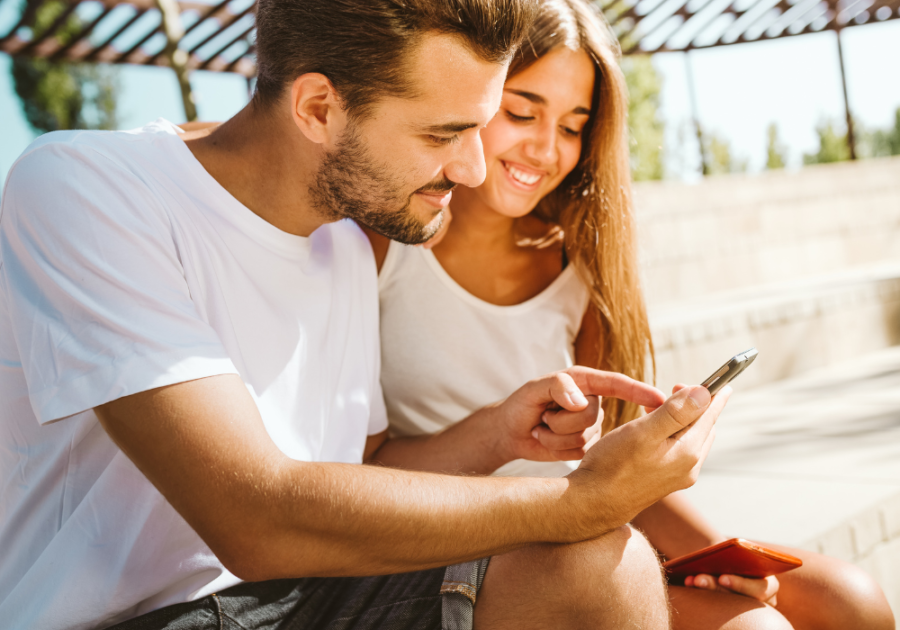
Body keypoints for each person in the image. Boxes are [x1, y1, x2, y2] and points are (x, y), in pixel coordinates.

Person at [0, 1, 731, 629]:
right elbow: (253, 519)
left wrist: (496, 433)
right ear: (318, 108)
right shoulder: (85, 188)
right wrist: (575, 502)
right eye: (444, 135)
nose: (475, 168)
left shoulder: (347, 241)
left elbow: (365, 468)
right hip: (137, 617)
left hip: (306, 597)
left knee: (604, 568)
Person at [369, 1, 896, 629]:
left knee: (852, 601)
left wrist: (721, 557)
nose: (545, 148)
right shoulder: (387, 244)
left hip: (580, 519)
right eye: (520, 111)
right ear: (474, 96)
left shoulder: (576, 267)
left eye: (573, 126)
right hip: (465, 545)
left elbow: (601, 471)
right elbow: (356, 472)